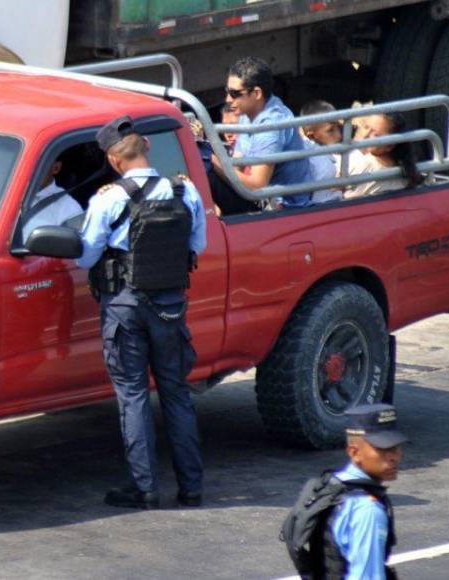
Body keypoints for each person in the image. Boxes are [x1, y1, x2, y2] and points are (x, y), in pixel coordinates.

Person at [77, 115, 207, 510]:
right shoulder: (186, 192)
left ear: (114, 162)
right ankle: (191, 487)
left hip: (124, 308)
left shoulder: (107, 199)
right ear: (147, 148)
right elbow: (197, 247)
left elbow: (86, 256)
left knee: (132, 395)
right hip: (170, 307)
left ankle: (144, 487)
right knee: (176, 394)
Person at [282, 404, 406, 580]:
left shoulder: (330, 487)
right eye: (383, 449)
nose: (395, 456)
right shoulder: (367, 510)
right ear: (354, 452)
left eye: (396, 447)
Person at [212, 56, 313, 209]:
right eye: (227, 91)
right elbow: (236, 165)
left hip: (283, 206)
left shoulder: (270, 126)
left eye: (234, 93)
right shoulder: (249, 111)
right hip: (263, 198)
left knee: (207, 166)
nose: (227, 99)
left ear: (257, 93)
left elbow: (256, 186)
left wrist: (213, 161)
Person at [342, 112, 423, 200]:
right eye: (366, 127)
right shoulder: (408, 168)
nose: (365, 136)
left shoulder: (364, 166)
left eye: (375, 135)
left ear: (389, 146)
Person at [21, 157, 84, 241]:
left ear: (56, 168)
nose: (28, 170)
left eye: (36, 165)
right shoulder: (3, 193)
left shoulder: (69, 208)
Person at [299, 100, 343, 204]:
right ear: (312, 136)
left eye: (338, 127)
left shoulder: (306, 145)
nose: (339, 135)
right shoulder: (323, 164)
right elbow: (320, 203)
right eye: (331, 130)